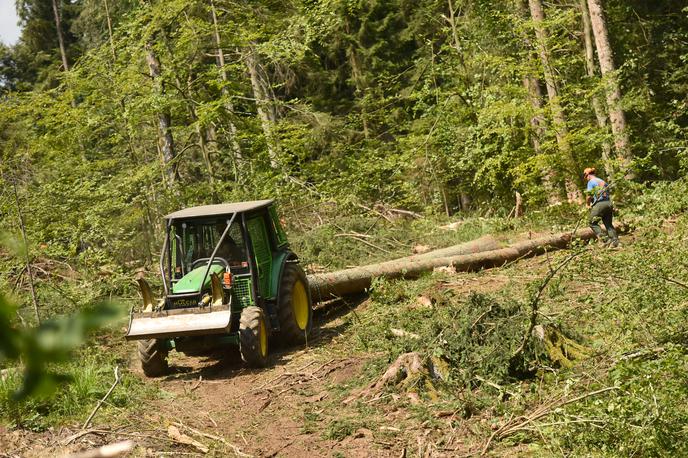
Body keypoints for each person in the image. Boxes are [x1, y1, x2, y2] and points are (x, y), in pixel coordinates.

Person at [583, 167, 619, 247]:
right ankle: (615, 242)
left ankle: (605, 240)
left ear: (587, 175)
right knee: (608, 224)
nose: (586, 179)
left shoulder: (591, 182)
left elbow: (589, 195)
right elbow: (607, 194)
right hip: (608, 203)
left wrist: (587, 204)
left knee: (592, 223)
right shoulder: (602, 181)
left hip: (600, 203)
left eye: (585, 177)